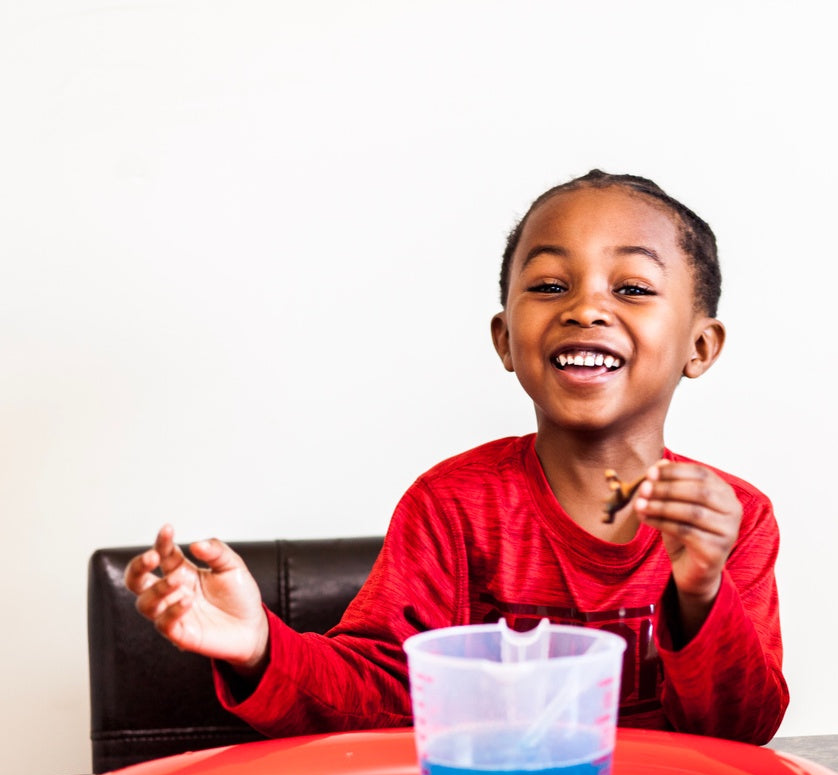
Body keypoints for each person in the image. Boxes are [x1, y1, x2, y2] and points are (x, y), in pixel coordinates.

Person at [125, 169, 789, 745]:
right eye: (551, 286)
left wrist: (701, 594)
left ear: (700, 347)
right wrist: (263, 649)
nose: (586, 307)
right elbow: (378, 697)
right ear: (505, 339)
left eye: (634, 289)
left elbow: (741, 733)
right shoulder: (451, 505)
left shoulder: (738, 521)